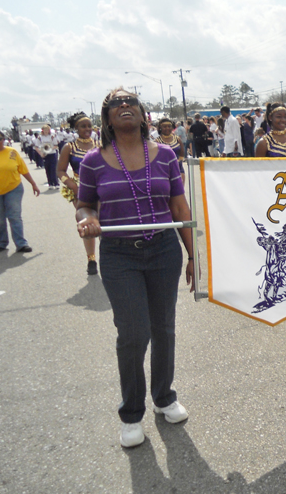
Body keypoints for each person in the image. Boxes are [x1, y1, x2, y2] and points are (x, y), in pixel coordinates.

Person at [75, 87, 195, 448]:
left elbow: (179, 208)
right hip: (119, 255)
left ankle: (164, 398)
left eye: (131, 103)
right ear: (107, 117)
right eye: (116, 104)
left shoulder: (167, 156)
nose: (124, 106)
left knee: (164, 328)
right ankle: (131, 413)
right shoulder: (92, 161)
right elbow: (84, 205)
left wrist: (193, 256)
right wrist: (87, 219)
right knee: (132, 333)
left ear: (143, 115)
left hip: (163, 251)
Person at [57, 113, 99, 274]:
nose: (87, 129)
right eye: (83, 126)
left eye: (89, 125)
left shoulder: (100, 144)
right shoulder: (69, 147)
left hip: (101, 188)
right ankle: (91, 259)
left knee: (105, 221)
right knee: (88, 223)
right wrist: (73, 186)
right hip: (80, 191)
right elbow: (60, 171)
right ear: (76, 128)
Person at [0, 129, 40, 253]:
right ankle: (1, 243)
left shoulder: (12, 153)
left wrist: (33, 184)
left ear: (4, 140)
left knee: (14, 216)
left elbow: (23, 170)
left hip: (13, 188)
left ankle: (21, 244)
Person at [153, 118, 185, 186]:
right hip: (164, 171)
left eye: (169, 126)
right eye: (164, 127)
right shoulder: (157, 141)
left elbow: (182, 152)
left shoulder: (177, 139)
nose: (167, 128)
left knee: (180, 191)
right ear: (160, 128)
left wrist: (179, 161)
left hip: (179, 169)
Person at [34, 124, 61, 189]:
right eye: (45, 130)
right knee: (47, 169)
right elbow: (36, 147)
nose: (46, 131)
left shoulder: (52, 136)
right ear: (42, 130)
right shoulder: (40, 137)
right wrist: (41, 154)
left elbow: (56, 145)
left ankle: (56, 183)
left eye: (47, 130)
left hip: (52, 154)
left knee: (53, 169)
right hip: (45, 155)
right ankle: (50, 183)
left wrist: (50, 149)